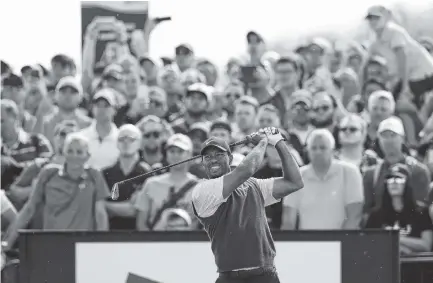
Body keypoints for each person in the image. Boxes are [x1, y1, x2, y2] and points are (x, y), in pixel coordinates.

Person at [191, 127, 303, 282]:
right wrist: (263, 141)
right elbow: (247, 169)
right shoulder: (202, 191)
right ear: (203, 162)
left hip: (265, 275)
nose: (213, 159)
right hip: (230, 277)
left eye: (219, 154)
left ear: (230, 159)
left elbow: (294, 182)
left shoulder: (254, 185)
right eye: (207, 157)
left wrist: (278, 142)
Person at [3, 133, 109, 250]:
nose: (74, 155)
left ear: (87, 156)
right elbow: (29, 208)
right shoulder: (48, 173)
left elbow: (100, 213)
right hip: (52, 244)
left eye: (79, 152)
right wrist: (8, 242)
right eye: (70, 151)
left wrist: (102, 245)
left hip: (83, 246)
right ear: (64, 152)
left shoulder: (95, 175)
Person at [282, 129, 364, 230]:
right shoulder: (295, 176)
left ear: (332, 150)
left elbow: (354, 216)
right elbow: (288, 221)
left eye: (323, 147)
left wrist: (340, 243)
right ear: (308, 151)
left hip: (342, 242)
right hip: (307, 244)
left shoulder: (350, 172)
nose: (318, 152)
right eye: (314, 148)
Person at [365, 164, 433, 254]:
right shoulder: (376, 214)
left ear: (407, 183)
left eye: (399, 179)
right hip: (385, 265)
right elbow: (368, 244)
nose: (394, 182)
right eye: (390, 179)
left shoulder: (421, 212)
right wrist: (400, 247)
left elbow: (426, 245)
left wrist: (393, 238)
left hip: (415, 265)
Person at [135, 134, 198, 230]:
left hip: (187, 242)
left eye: (180, 151)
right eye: (172, 151)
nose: (176, 155)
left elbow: (199, 224)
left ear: (190, 155)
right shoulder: (151, 184)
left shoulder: (200, 187)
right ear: (167, 155)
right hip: (156, 241)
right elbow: (141, 223)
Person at [103, 124, 151, 230]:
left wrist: (106, 206)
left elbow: (134, 210)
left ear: (140, 144)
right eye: (122, 139)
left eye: (131, 139)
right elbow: (99, 210)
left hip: (136, 234)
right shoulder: (106, 173)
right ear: (116, 143)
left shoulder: (147, 173)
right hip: (110, 233)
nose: (126, 143)